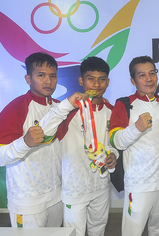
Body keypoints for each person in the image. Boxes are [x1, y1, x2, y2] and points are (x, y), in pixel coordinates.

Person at [38, 56, 118, 236]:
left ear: (108, 82)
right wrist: (66, 106)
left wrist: (114, 155)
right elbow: (44, 132)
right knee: (74, 233)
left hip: (101, 186)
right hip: (74, 189)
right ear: (81, 80)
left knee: (98, 230)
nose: (96, 85)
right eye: (91, 79)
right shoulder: (68, 110)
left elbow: (113, 143)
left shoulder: (112, 111)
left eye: (102, 79)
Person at [109, 55, 159, 236]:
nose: (149, 79)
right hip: (139, 185)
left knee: (158, 231)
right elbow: (116, 140)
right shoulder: (125, 104)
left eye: (152, 73)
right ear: (133, 80)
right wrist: (136, 128)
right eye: (142, 75)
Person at [0, 52, 64, 227]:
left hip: (57, 195)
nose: (48, 81)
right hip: (27, 201)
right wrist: (25, 142)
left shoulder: (60, 108)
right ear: (28, 79)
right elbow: (1, 156)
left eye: (53, 75)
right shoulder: (15, 109)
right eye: (41, 75)